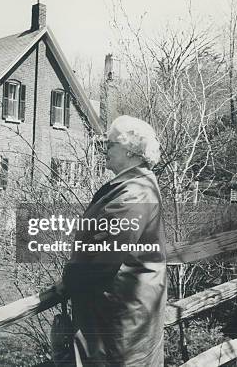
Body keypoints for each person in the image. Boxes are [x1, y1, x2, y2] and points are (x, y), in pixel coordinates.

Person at [52, 115, 167, 366]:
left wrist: (67, 280)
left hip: (121, 318)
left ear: (130, 150)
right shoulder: (135, 184)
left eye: (110, 144)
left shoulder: (134, 194)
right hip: (126, 309)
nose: (103, 150)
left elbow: (104, 261)